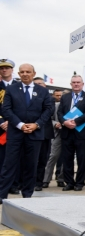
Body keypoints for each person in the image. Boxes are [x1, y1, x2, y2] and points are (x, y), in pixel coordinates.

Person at [0, 64, 53, 204]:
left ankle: (27, 196)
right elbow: (6, 110)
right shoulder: (11, 89)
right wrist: (20, 125)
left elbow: (48, 110)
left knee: (31, 165)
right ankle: (2, 195)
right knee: (9, 164)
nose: (25, 74)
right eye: (22, 72)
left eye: (28, 72)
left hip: (35, 134)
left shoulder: (42, 91)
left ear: (33, 73)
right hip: (16, 133)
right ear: (18, 73)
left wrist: (37, 124)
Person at [57, 75, 85, 191]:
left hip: (83, 133)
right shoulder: (65, 97)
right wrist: (64, 122)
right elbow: (59, 113)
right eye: (74, 82)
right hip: (67, 132)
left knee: (82, 159)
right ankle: (69, 182)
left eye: (78, 82)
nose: (76, 84)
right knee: (67, 159)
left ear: (82, 84)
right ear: (71, 84)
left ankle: (79, 183)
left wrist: (76, 121)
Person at [0, 59, 21, 195]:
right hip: (0, 127)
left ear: (12, 70)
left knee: (16, 158)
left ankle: (14, 184)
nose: (4, 70)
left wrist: (13, 122)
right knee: (2, 158)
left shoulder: (19, 86)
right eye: (2, 68)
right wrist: (2, 121)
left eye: (7, 68)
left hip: (16, 126)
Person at [32, 78, 54, 191]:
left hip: (45, 132)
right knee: (30, 159)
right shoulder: (28, 97)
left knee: (42, 159)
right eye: (36, 84)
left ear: (45, 86)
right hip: (30, 131)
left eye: (40, 84)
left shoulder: (49, 98)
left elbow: (50, 111)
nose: (38, 86)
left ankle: (38, 182)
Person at [42, 89, 65, 187]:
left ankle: (61, 179)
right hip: (58, 133)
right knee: (53, 156)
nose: (59, 97)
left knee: (66, 158)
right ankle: (46, 179)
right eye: (57, 95)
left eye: (61, 95)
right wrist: (56, 124)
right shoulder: (55, 106)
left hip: (71, 133)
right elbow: (49, 119)